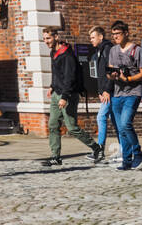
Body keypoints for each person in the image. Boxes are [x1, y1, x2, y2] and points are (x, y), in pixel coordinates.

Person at [41, 27, 100, 167]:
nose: (46, 41)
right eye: (44, 39)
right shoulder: (53, 52)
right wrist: (51, 86)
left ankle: (96, 148)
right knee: (53, 124)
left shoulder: (67, 54)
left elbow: (70, 77)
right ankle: (55, 156)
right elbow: (56, 73)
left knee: (71, 127)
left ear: (55, 37)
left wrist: (65, 96)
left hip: (68, 95)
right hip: (57, 93)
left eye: (48, 38)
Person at [108, 21, 142, 171]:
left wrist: (128, 79)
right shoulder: (113, 50)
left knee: (125, 124)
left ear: (126, 33)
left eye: (118, 33)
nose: (115, 36)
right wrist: (113, 76)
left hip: (133, 92)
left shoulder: (137, 50)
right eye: (113, 34)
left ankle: (137, 152)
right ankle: (127, 160)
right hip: (117, 93)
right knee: (121, 129)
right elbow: (109, 71)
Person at [89, 26, 115, 160]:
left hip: (109, 92)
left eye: (93, 37)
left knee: (101, 117)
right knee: (116, 122)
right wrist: (100, 91)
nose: (91, 40)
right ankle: (127, 151)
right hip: (104, 92)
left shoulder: (107, 48)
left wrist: (107, 90)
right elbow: (100, 74)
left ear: (100, 37)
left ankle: (99, 151)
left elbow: (111, 71)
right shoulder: (100, 50)